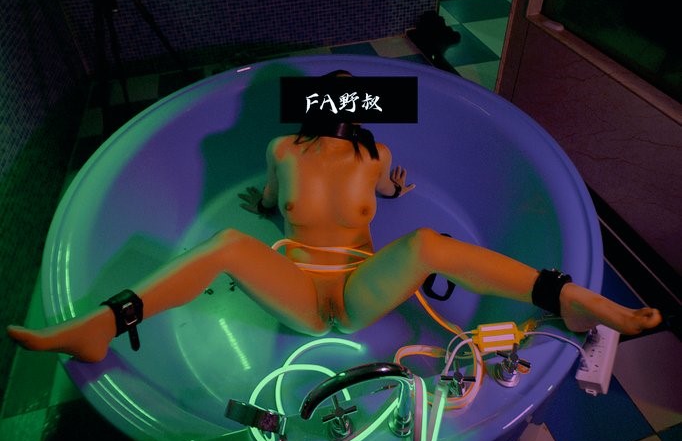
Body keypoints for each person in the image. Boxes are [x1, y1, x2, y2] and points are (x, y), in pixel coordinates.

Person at [6, 93, 662, 364]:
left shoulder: (374, 157)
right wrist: (267, 206)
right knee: (228, 245)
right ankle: (105, 325)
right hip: (296, 293)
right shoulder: (282, 151)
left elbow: (384, 190)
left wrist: (393, 189)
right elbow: (270, 200)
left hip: (358, 291)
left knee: (427, 243)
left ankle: (566, 296)